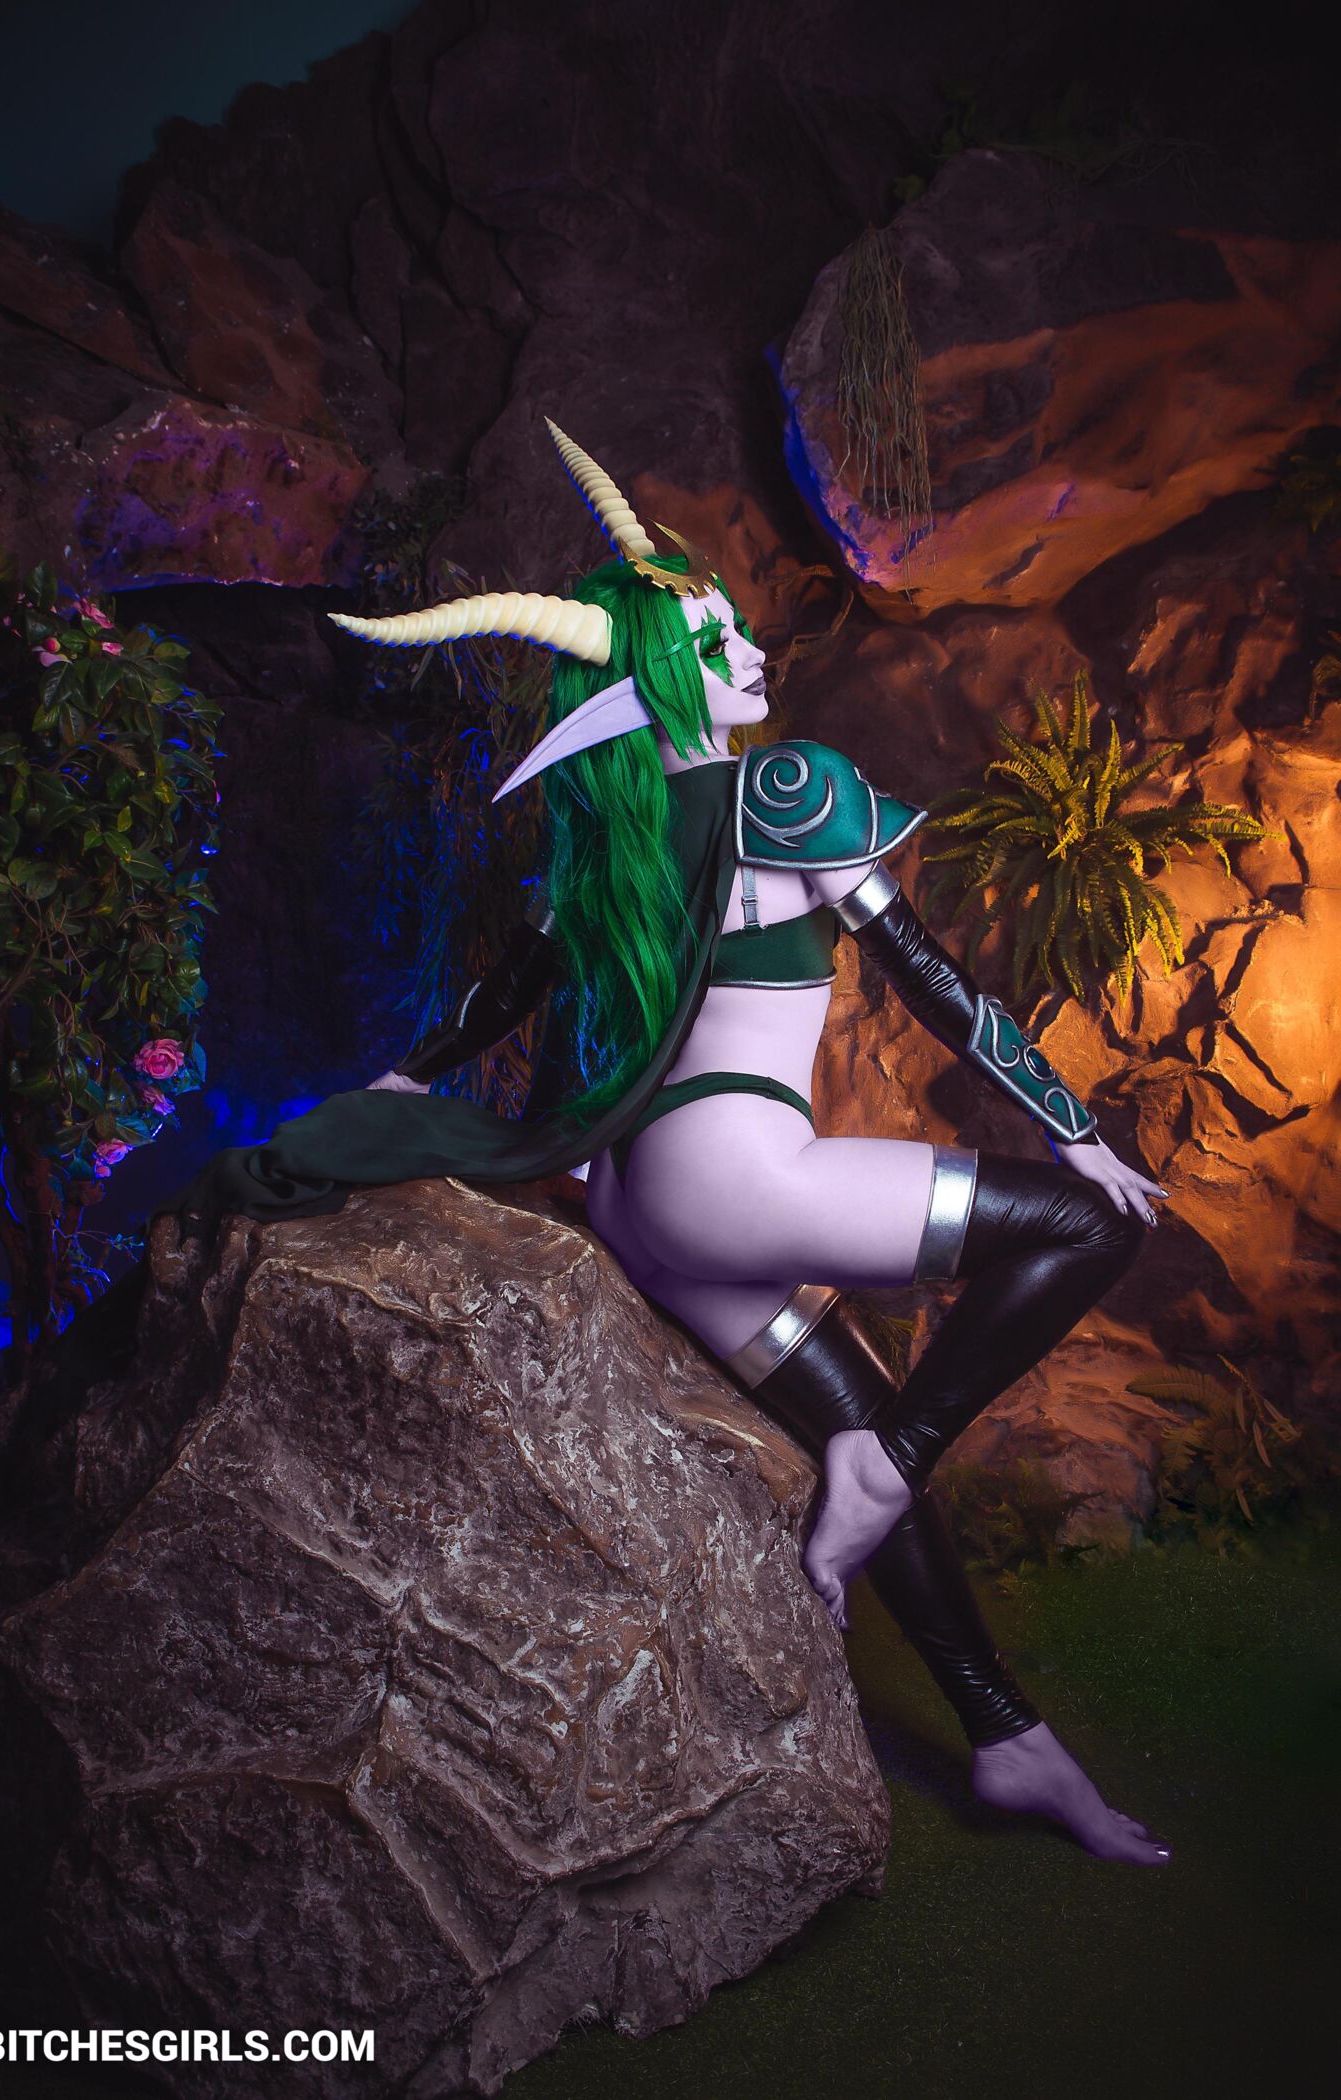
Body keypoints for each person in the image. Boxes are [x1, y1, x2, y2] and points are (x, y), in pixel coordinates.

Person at [173, 421, 1171, 1866]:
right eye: (711, 642)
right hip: (731, 1176)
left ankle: (1009, 1739)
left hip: (643, 1206)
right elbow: (935, 985)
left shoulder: (608, 834)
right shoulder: (788, 790)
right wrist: (1075, 1132)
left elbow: (507, 993)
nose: (746, 646)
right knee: (1087, 1231)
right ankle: (893, 1464)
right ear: (654, 682)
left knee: (854, 1424)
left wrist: (411, 1073)